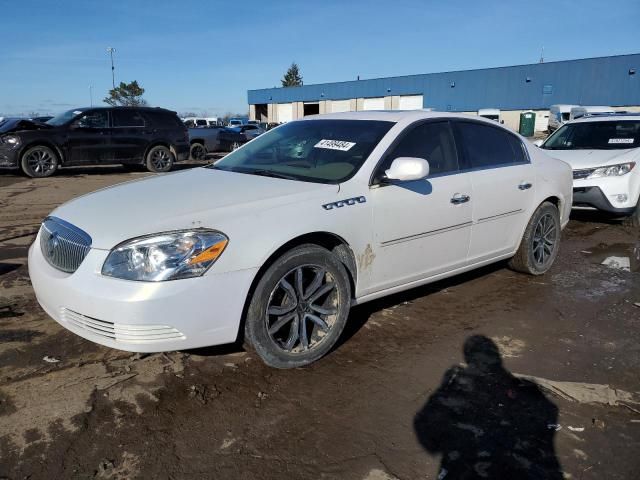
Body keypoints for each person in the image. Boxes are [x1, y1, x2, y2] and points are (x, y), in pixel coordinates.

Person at [414, 335, 563, 479]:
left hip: (468, 471)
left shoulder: (457, 390)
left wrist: (444, 388)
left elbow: (428, 436)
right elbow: (548, 414)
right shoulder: (526, 390)